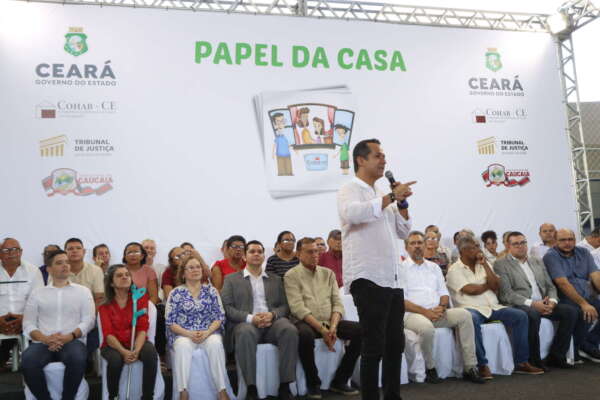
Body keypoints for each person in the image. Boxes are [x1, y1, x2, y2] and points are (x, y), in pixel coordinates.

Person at [337, 138, 414, 400]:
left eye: (384, 156)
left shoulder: (382, 193)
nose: (384, 160)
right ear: (361, 160)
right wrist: (391, 196)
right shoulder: (350, 189)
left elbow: (404, 231)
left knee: (395, 344)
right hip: (368, 277)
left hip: (392, 278)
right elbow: (352, 214)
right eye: (378, 156)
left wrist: (401, 203)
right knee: (373, 345)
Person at [446, 237, 543, 378]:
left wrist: (485, 265)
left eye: (478, 247)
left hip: (493, 307)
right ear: (463, 251)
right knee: (471, 319)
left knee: (520, 316)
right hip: (471, 308)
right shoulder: (454, 270)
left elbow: (496, 285)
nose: (478, 250)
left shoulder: (483, 264)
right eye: (474, 247)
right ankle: (481, 365)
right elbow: (471, 290)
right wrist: (488, 285)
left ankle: (521, 362)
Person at [401, 232, 483, 384]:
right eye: (413, 243)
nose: (417, 246)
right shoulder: (401, 269)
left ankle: (470, 367)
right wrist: (426, 312)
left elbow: (444, 293)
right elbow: (402, 301)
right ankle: (430, 368)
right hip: (413, 315)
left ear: (425, 245)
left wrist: (442, 307)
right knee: (426, 329)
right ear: (406, 248)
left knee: (465, 315)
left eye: (420, 243)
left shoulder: (434, 267)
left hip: (437, 312)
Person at [285, 238, 361, 398]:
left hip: (330, 322)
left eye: (316, 251)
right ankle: (313, 383)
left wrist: (332, 327)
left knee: (361, 331)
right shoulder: (291, 275)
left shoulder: (328, 273)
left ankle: (340, 380)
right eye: (309, 252)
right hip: (306, 322)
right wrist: (323, 330)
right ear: (298, 254)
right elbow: (298, 308)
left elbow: (337, 303)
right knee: (304, 335)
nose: (315, 255)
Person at [221, 240, 298, 400]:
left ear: (264, 256)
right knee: (245, 332)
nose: (256, 254)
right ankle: (251, 388)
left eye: (259, 252)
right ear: (244, 256)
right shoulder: (231, 279)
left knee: (289, 329)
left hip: (272, 323)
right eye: (252, 251)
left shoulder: (276, 279)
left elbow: (285, 306)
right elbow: (227, 307)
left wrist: (273, 314)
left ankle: (285, 385)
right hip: (246, 323)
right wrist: (251, 318)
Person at [495, 232, 577, 369]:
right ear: (508, 246)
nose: (520, 246)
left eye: (523, 242)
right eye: (516, 244)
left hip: (543, 302)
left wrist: (552, 302)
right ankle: (534, 360)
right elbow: (506, 294)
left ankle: (557, 356)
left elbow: (550, 286)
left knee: (571, 312)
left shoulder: (536, 260)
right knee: (533, 314)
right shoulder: (501, 264)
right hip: (520, 304)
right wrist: (533, 304)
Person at [21, 250, 95, 400]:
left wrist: (69, 337)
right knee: (28, 361)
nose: (65, 265)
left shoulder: (83, 292)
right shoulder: (37, 293)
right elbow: (28, 323)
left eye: (67, 262)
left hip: (73, 340)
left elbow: (89, 320)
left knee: (77, 359)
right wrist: (45, 339)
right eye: (59, 263)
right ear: (49, 269)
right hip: (43, 342)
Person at [165, 254, 229, 400]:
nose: (195, 270)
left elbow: (219, 317)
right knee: (182, 346)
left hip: (209, 332)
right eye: (191, 267)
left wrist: (207, 332)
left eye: (198, 267)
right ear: (183, 273)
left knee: (215, 344)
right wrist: (189, 333)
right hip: (183, 334)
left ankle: (222, 390)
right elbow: (170, 321)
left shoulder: (211, 291)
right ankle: (183, 391)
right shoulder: (175, 293)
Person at [99, 264, 157, 400]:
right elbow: (108, 334)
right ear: (111, 283)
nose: (125, 277)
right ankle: (113, 396)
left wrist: (136, 350)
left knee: (150, 353)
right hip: (113, 345)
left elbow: (142, 327)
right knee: (115, 360)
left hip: (137, 341)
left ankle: (147, 397)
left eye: (127, 274)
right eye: (119, 275)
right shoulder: (104, 306)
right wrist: (124, 352)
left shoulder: (140, 298)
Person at [544, 228, 600, 363]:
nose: (567, 243)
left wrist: (586, 301)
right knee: (581, 311)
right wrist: (584, 304)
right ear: (555, 241)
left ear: (575, 240)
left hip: (587, 296)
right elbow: (562, 284)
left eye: (570, 239)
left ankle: (588, 344)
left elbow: (596, 276)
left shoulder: (584, 252)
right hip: (565, 298)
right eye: (563, 240)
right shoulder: (551, 256)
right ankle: (580, 349)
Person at [53, 238, 104, 358]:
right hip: (64, 317)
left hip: (90, 316)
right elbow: (53, 299)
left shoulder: (95, 270)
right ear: (65, 252)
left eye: (78, 248)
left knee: (96, 331)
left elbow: (99, 299)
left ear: (84, 251)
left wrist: (88, 319)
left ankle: (84, 359)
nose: (74, 251)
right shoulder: (57, 271)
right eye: (70, 249)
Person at [0, 238, 44, 372]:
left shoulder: (33, 271)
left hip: (26, 319)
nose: (11, 253)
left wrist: (24, 319)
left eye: (15, 249)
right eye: (6, 250)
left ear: (21, 252)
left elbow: (39, 301)